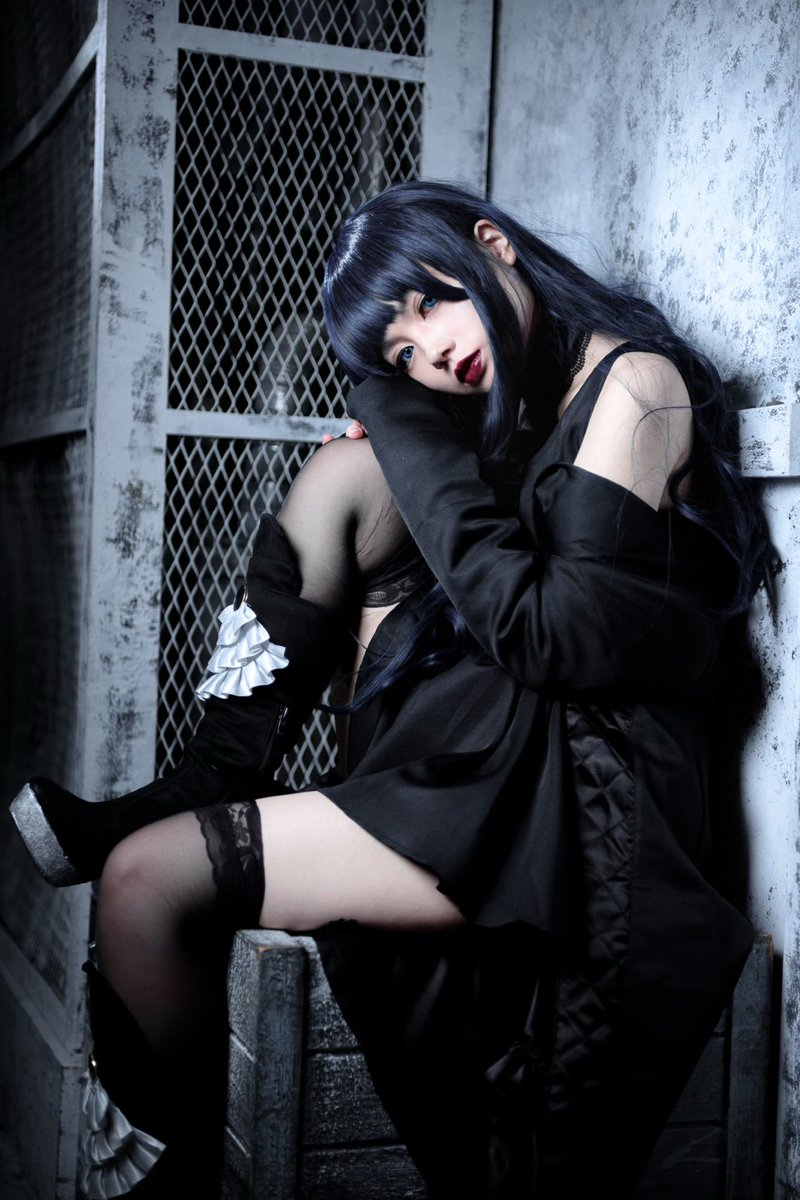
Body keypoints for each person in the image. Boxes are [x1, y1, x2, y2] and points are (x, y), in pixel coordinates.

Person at [10, 179, 769, 1198]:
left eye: (430, 304)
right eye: (399, 354)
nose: (430, 353)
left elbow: (555, 638)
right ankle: (213, 772)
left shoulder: (636, 384)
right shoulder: (522, 400)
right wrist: (403, 444)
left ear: (493, 244)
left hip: (590, 785)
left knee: (147, 879)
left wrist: (403, 426)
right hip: (510, 735)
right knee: (344, 480)